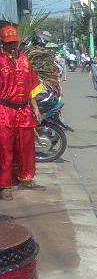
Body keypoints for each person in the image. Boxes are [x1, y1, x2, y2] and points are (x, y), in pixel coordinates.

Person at [0, 26, 43, 200]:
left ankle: (26, 177)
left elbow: (31, 87)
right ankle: (5, 185)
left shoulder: (24, 59)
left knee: (26, 147)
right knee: (5, 149)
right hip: (5, 111)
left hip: (24, 110)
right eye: (9, 43)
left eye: (14, 42)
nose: (12, 46)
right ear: (2, 43)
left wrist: (36, 108)